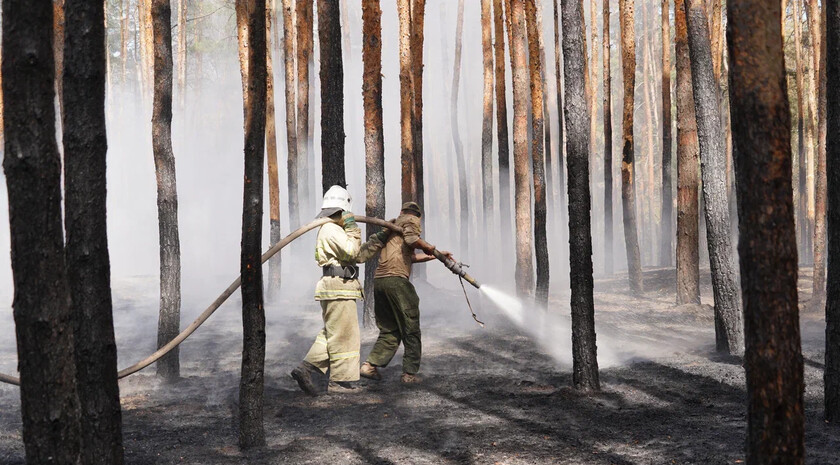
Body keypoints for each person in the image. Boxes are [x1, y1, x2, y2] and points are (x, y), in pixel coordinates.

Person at [291, 185, 390, 395]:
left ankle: (306, 369)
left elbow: (359, 256)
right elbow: (353, 250)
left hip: (338, 286)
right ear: (342, 210)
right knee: (346, 335)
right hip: (338, 287)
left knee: (333, 333)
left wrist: (380, 238)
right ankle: (340, 382)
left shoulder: (335, 230)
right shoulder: (331, 229)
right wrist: (353, 228)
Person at [360, 201, 452, 384]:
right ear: (417, 216)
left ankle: (370, 366)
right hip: (397, 283)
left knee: (390, 329)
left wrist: (435, 255)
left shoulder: (393, 228)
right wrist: (430, 247)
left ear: (401, 210)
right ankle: (409, 374)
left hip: (380, 283)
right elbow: (412, 239)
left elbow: (408, 256)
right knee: (410, 328)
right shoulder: (410, 220)